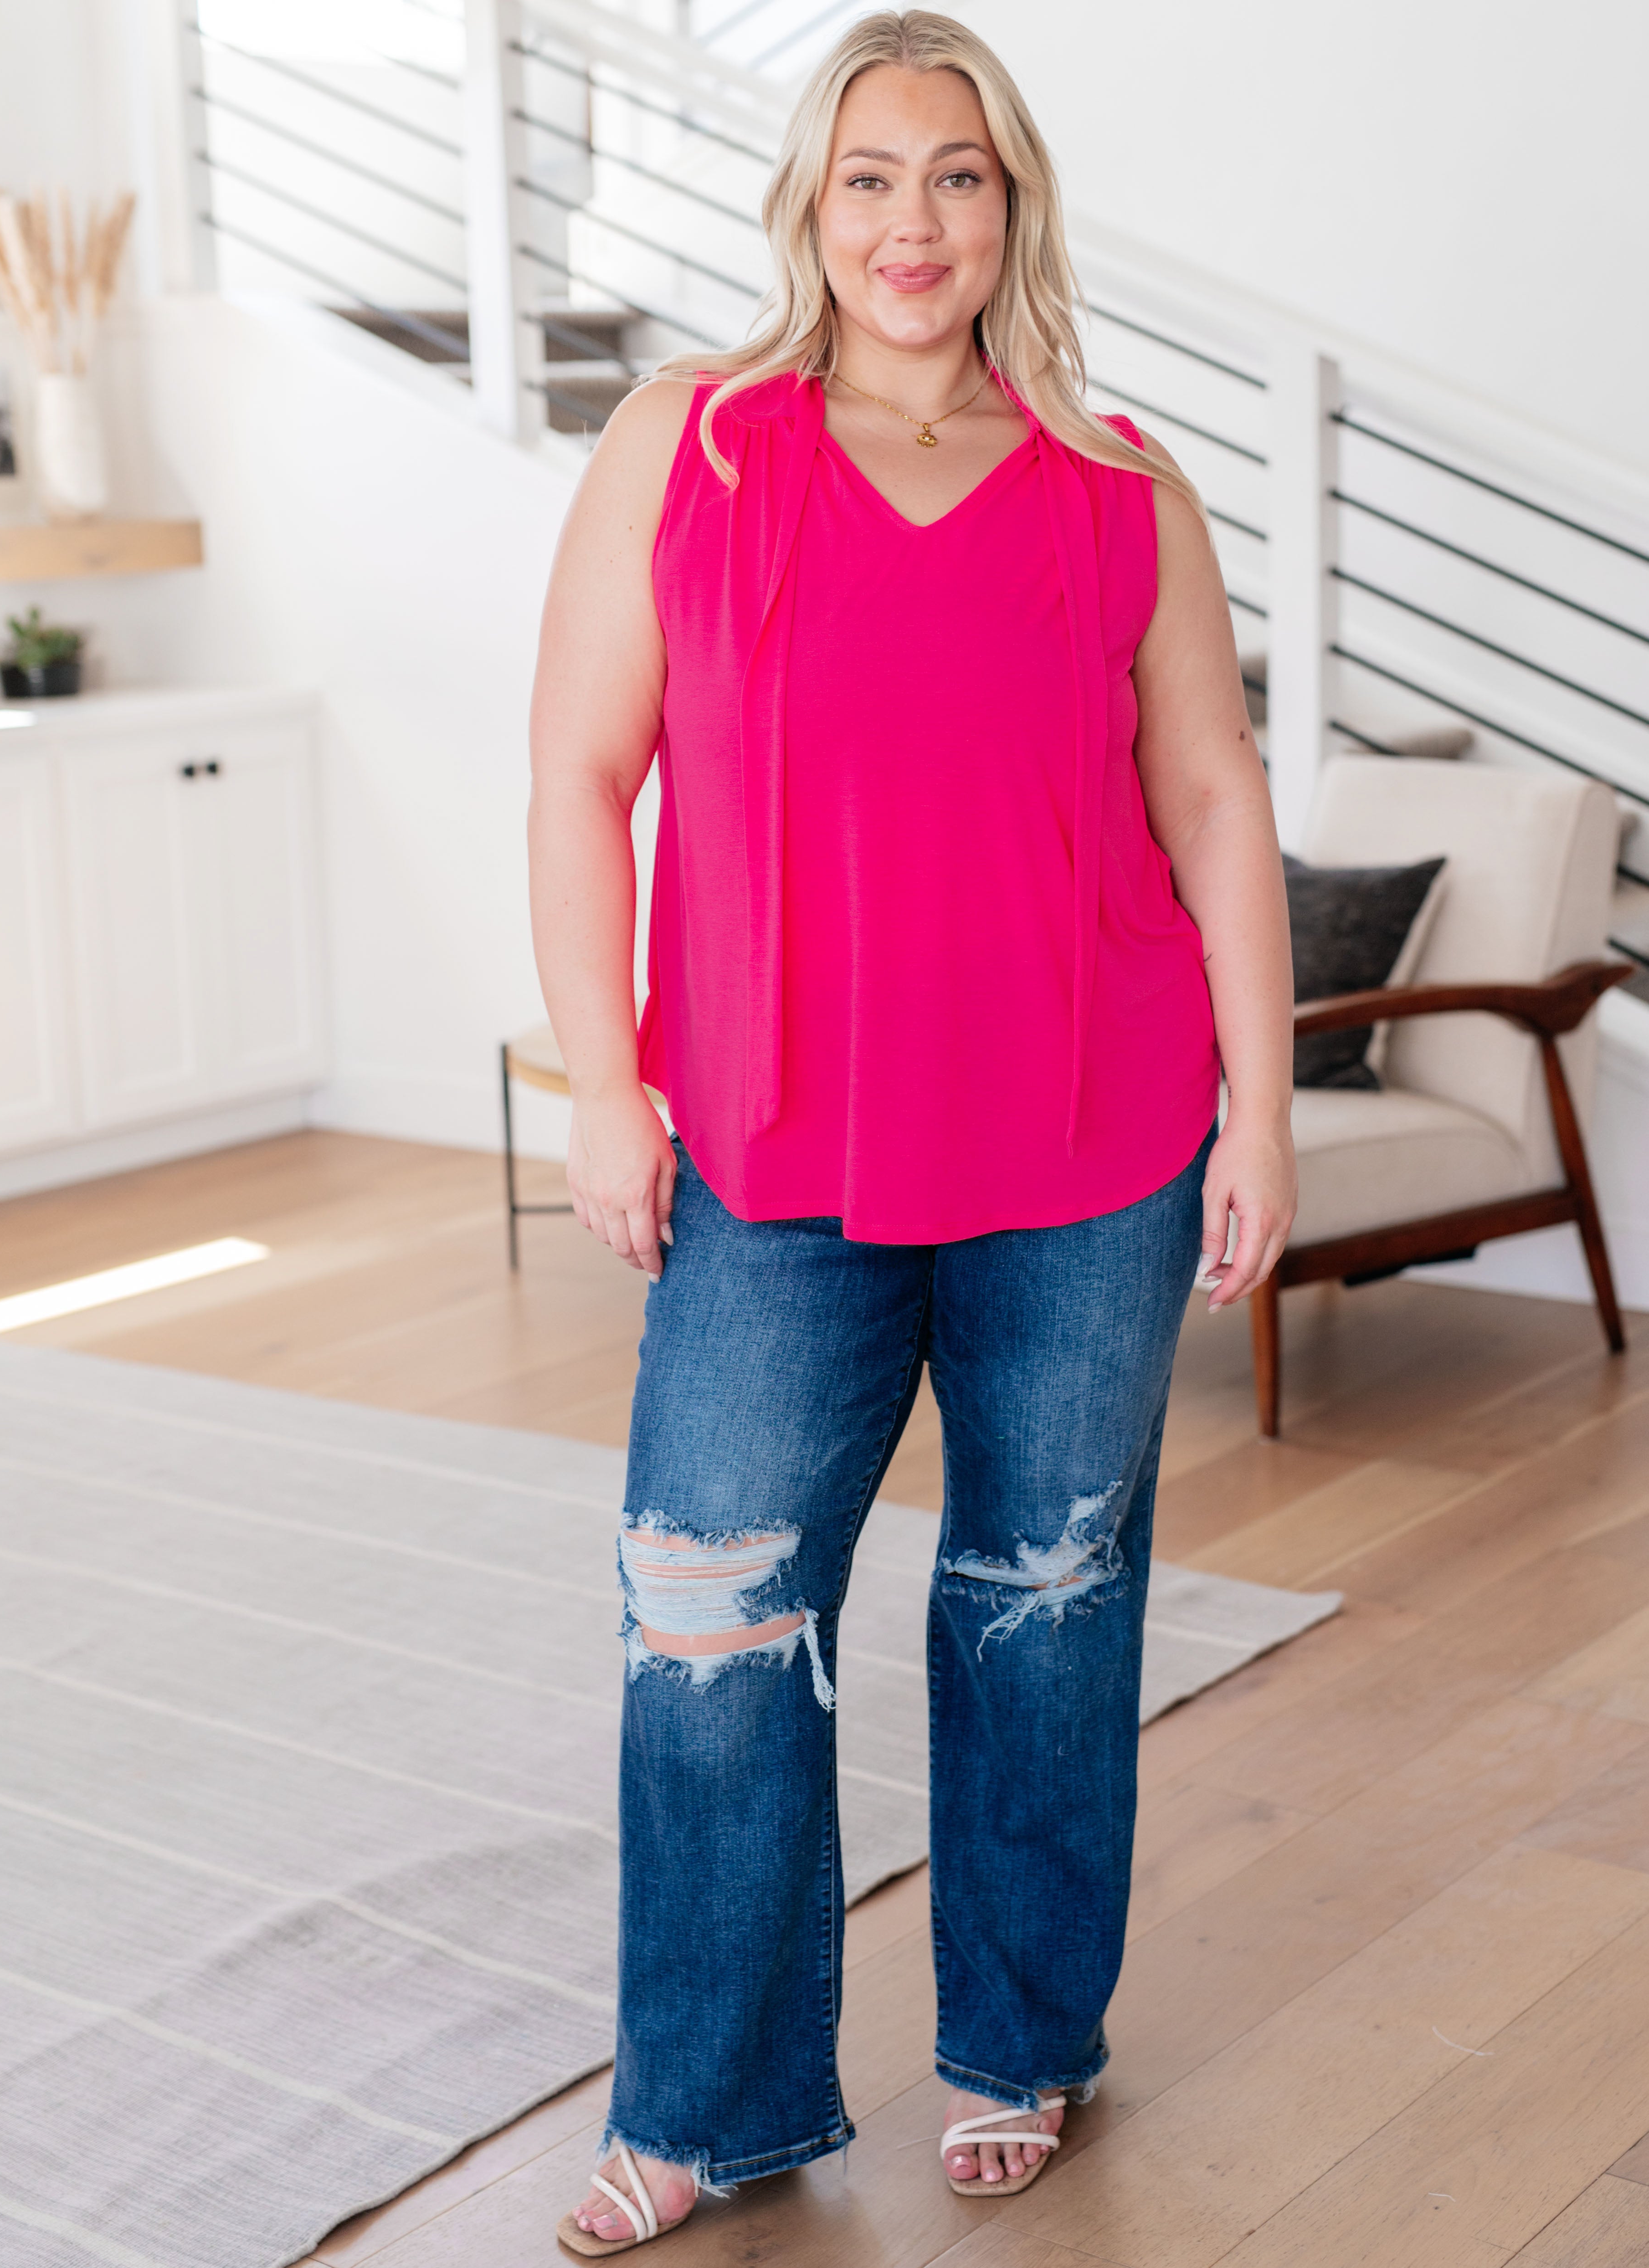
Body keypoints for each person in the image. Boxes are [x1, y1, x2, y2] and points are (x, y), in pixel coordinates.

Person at [529, 11, 1295, 2251]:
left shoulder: (1124, 486)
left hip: (1092, 1139)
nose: (913, 222)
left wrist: (1261, 1111)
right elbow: (581, 774)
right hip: (773, 1152)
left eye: (958, 176)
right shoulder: (694, 442)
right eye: (870, 175)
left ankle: (1018, 2042)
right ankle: (714, 2101)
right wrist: (604, 1080)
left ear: (1011, 207)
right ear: (811, 202)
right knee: (709, 1611)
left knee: (1042, 1603)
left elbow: (1216, 799)